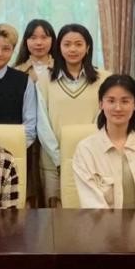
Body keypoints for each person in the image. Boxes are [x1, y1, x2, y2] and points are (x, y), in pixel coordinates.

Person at [36, 23, 110, 206]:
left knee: (92, 211)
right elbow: (42, 122)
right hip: (53, 162)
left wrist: (88, 151)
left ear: (88, 47)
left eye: (78, 44)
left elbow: (104, 117)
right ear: (59, 48)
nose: (72, 49)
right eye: (67, 44)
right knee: (55, 215)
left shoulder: (104, 79)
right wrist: (59, 157)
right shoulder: (44, 80)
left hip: (94, 158)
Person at [72, 74, 135, 209]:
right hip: (102, 222)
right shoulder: (86, 150)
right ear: (101, 104)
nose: (118, 108)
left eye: (125, 101)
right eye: (111, 101)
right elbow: (93, 205)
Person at [14, 18, 56, 206]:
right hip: (28, 138)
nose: (39, 42)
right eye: (33, 37)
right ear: (25, 41)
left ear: (53, 40)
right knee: (29, 186)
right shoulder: (16, 72)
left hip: (53, 135)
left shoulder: (61, 69)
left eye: (44, 37)